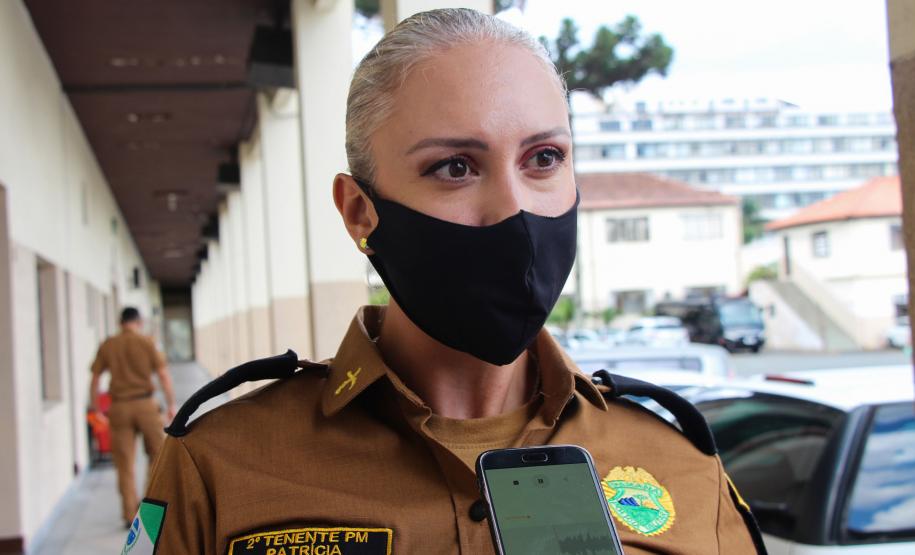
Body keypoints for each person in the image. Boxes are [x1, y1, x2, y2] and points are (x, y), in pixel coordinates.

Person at [132, 9, 765, 554]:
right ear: (359, 212)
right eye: (455, 167)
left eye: (544, 158)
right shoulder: (221, 465)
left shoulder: (680, 463)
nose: (512, 211)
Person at [89, 306, 176, 528]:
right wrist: (171, 404)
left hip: (119, 408)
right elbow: (164, 375)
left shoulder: (109, 344)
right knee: (157, 456)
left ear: (120, 322)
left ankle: (129, 514)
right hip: (146, 404)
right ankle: (150, 508)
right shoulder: (148, 343)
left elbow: (96, 378)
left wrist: (96, 408)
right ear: (139, 322)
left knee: (124, 463)